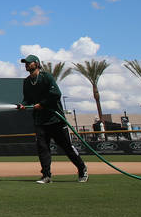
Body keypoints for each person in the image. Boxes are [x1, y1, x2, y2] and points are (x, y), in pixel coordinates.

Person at [16, 55, 88, 184]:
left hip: (55, 119)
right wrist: (22, 105)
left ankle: (82, 169)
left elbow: (56, 94)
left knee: (67, 147)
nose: (26, 65)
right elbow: (27, 99)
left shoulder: (46, 77)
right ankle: (46, 176)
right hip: (40, 121)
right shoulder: (26, 82)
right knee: (42, 148)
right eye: (25, 63)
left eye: (29, 63)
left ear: (36, 64)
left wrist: (42, 104)